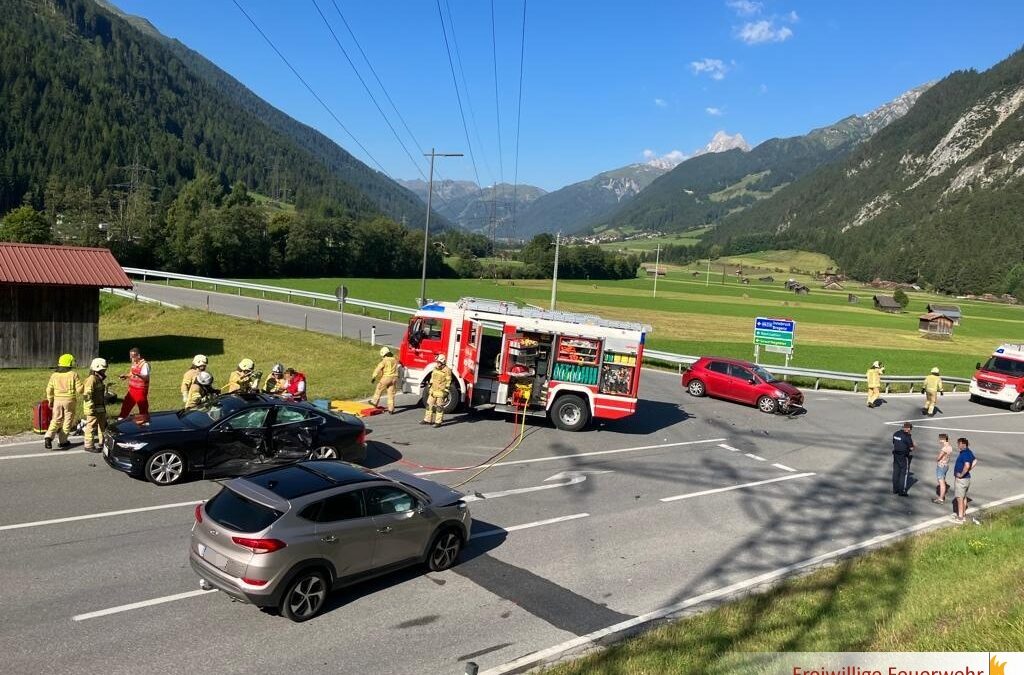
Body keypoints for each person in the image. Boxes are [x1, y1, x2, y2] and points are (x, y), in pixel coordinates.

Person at [43, 353, 81, 450]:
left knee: (56, 419)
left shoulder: (54, 375)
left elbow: (49, 389)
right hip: (70, 400)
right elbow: (80, 389)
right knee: (68, 420)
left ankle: (48, 436)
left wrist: (50, 400)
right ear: (70, 363)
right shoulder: (73, 374)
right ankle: (63, 441)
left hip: (57, 401)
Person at [82, 358, 109, 453]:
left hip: (100, 407)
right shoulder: (92, 379)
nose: (104, 371)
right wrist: (90, 407)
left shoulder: (98, 379)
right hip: (93, 408)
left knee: (103, 426)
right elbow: (87, 395)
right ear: (96, 369)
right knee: (91, 426)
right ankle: (88, 445)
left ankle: (102, 443)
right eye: (103, 370)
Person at [421, 354, 452, 428]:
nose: (437, 363)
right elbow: (432, 378)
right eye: (437, 362)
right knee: (429, 405)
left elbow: (448, 381)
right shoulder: (435, 368)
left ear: (443, 362)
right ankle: (427, 420)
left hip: (441, 392)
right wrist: (429, 386)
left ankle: (438, 422)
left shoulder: (447, 370)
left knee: (439, 407)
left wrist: (446, 391)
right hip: (433, 391)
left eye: (438, 362)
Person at [118, 347, 150, 418]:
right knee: (126, 405)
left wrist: (138, 375)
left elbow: (146, 377)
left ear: (138, 356)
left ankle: (144, 422)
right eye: (130, 356)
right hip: (132, 389)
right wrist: (126, 376)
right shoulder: (134, 362)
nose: (131, 358)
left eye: (133, 356)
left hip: (140, 390)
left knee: (142, 406)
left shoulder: (144, 365)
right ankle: (121, 419)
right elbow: (132, 374)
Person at [951, 438, 977, 524]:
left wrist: (962, 474)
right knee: (964, 497)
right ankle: (963, 514)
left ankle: (960, 518)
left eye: (959, 444)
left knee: (959, 498)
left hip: (961, 480)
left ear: (963, 444)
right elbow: (975, 461)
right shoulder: (968, 452)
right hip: (967, 479)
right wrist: (968, 471)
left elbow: (967, 464)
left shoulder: (965, 454)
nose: (958, 446)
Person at [370, 347, 399, 414]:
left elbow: (378, 368)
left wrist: (374, 376)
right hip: (394, 378)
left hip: (386, 377)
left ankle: (374, 402)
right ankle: (391, 409)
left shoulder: (384, 360)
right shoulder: (395, 359)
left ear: (384, 354)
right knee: (391, 394)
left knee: (379, 389)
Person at [891, 421, 915, 496]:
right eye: (910, 429)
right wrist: (914, 445)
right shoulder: (907, 436)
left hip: (896, 455)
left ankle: (895, 489)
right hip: (904, 456)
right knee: (903, 474)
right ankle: (902, 491)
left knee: (896, 472)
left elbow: (894, 442)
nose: (910, 430)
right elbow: (911, 448)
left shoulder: (896, 433)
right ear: (907, 429)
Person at [932, 433, 952, 504]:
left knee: (941, 482)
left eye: (940, 439)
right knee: (942, 481)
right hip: (946, 465)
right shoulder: (950, 447)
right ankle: (941, 497)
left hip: (941, 466)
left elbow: (939, 458)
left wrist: (937, 458)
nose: (939, 440)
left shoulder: (944, 448)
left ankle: (941, 499)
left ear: (943, 439)